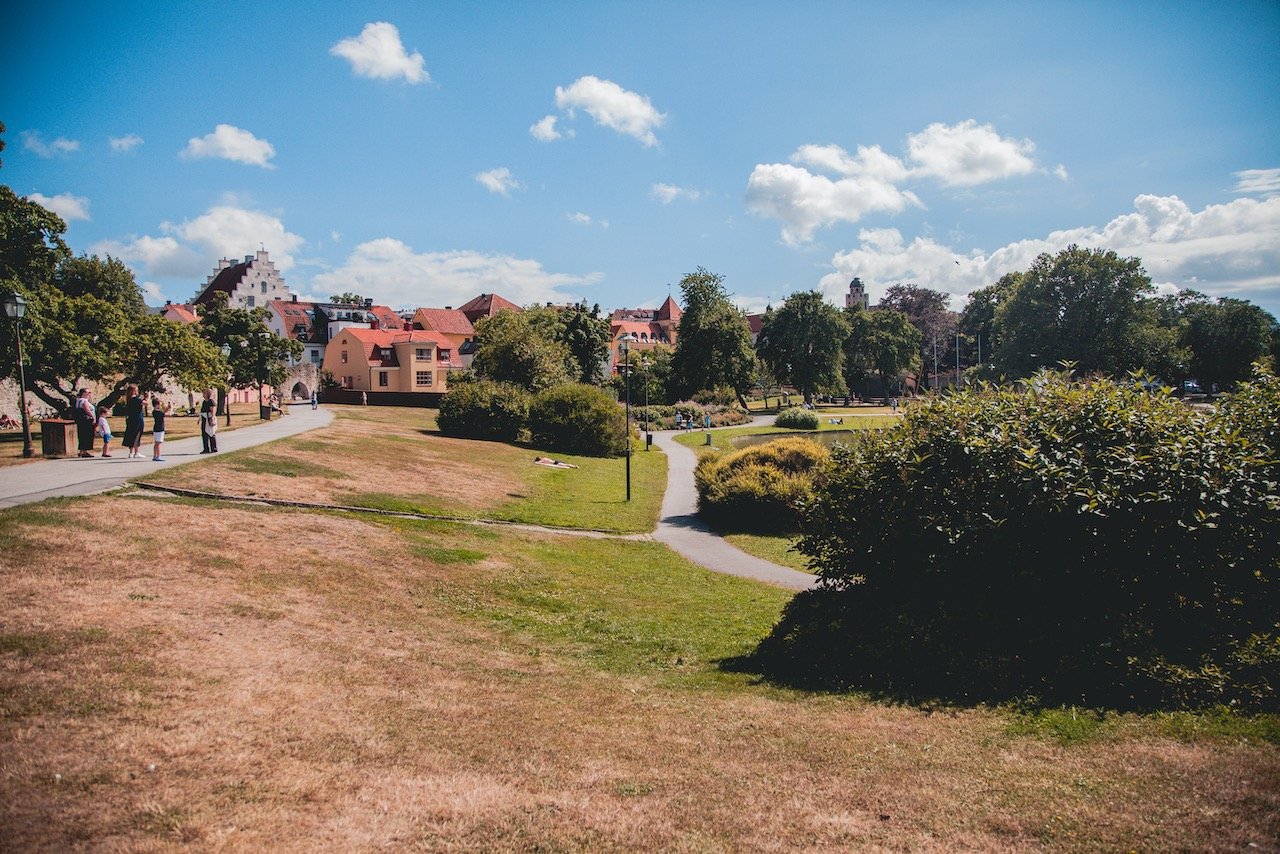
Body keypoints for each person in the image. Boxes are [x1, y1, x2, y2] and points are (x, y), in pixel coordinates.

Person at [123, 385, 145, 458]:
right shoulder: (136, 399)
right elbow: (146, 403)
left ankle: (131, 452)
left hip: (131, 419)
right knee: (137, 434)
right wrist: (147, 397)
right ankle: (136, 452)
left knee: (132, 434)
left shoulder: (129, 399)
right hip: (137, 418)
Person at [74, 388, 96, 457]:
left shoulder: (80, 400)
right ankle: (84, 451)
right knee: (87, 435)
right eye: (88, 392)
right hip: (86, 420)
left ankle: (82, 451)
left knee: (83, 435)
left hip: (82, 420)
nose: (89, 394)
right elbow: (87, 410)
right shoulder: (83, 401)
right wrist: (93, 417)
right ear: (83, 393)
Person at [150, 396, 170, 461]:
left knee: (156, 443)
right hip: (160, 429)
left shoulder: (154, 412)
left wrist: (168, 408)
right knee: (158, 443)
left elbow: (164, 412)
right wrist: (171, 408)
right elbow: (167, 414)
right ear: (157, 404)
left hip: (156, 428)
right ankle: (158, 456)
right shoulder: (158, 412)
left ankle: (155, 456)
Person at [199, 388, 218, 453]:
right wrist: (199, 419)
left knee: (211, 433)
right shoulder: (204, 402)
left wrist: (212, 418)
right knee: (204, 434)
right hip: (204, 418)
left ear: (207, 394)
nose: (203, 394)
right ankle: (206, 448)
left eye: (204, 393)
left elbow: (213, 410)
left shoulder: (211, 401)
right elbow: (202, 411)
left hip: (209, 418)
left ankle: (214, 448)